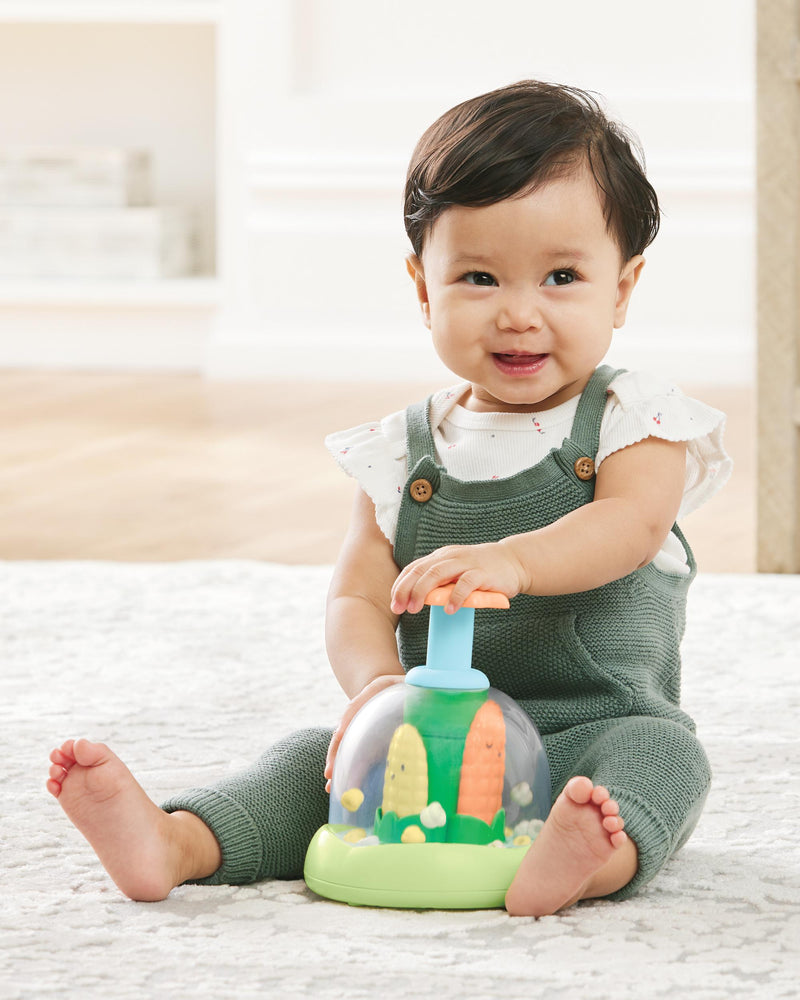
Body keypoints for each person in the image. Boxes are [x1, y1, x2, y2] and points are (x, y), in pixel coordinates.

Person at [46, 80, 731, 917]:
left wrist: (512, 559)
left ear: (620, 290)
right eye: (479, 277)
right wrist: (376, 688)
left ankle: (585, 858)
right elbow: (357, 592)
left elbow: (627, 527)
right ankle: (178, 842)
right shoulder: (400, 452)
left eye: (560, 277)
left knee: (665, 758)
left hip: (594, 727)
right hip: (429, 747)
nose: (519, 314)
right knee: (311, 761)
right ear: (422, 289)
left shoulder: (637, 420)